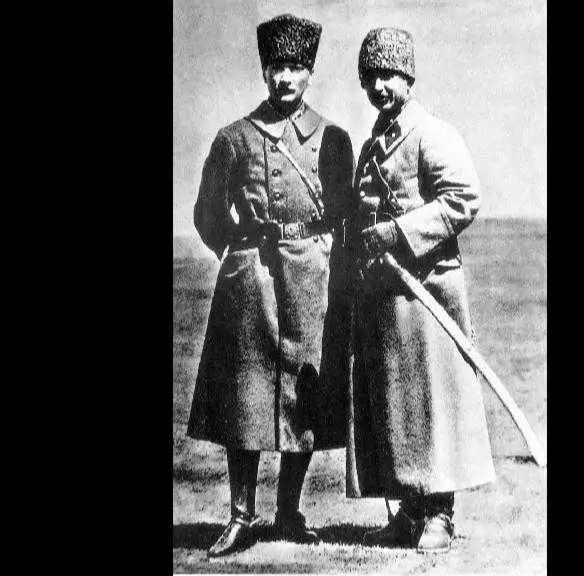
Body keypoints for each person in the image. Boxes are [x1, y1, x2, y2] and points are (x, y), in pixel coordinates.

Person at [186, 13, 354, 557]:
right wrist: (239, 253)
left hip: (311, 276)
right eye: (276, 67)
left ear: (310, 73)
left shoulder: (334, 139)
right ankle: (240, 516)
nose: (285, 77)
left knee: (304, 392)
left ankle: (288, 512)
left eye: (296, 67)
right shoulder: (233, 138)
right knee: (246, 394)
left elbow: (344, 213)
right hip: (250, 280)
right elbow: (208, 214)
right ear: (263, 71)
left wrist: (323, 258)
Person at [345, 27, 496, 554]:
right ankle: (408, 512)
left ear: (409, 78)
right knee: (398, 409)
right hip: (387, 299)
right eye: (371, 77)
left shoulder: (432, 134)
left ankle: (440, 514)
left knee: (435, 406)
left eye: (390, 75)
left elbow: (463, 198)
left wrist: (396, 234)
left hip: (429, 294)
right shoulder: (373, 143)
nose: (380, 86)